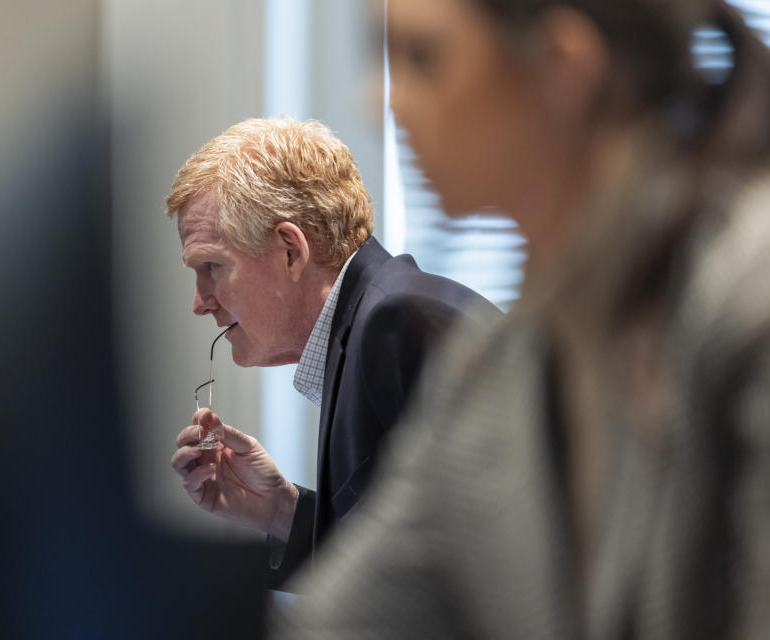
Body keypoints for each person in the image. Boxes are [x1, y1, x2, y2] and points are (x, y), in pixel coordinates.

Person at [271, 0, 770, 637]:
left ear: (564, 65)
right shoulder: (502, 361)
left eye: (425, 59)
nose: (380, 102)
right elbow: (345, 619)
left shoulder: (749, 301)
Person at [167, 116, 501, 588]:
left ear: (290, 250)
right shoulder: (371, 325)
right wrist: (279, 508)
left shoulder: (400, 324)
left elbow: (477, 584)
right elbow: (403, 564)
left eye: (212, 267)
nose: (200, 302)